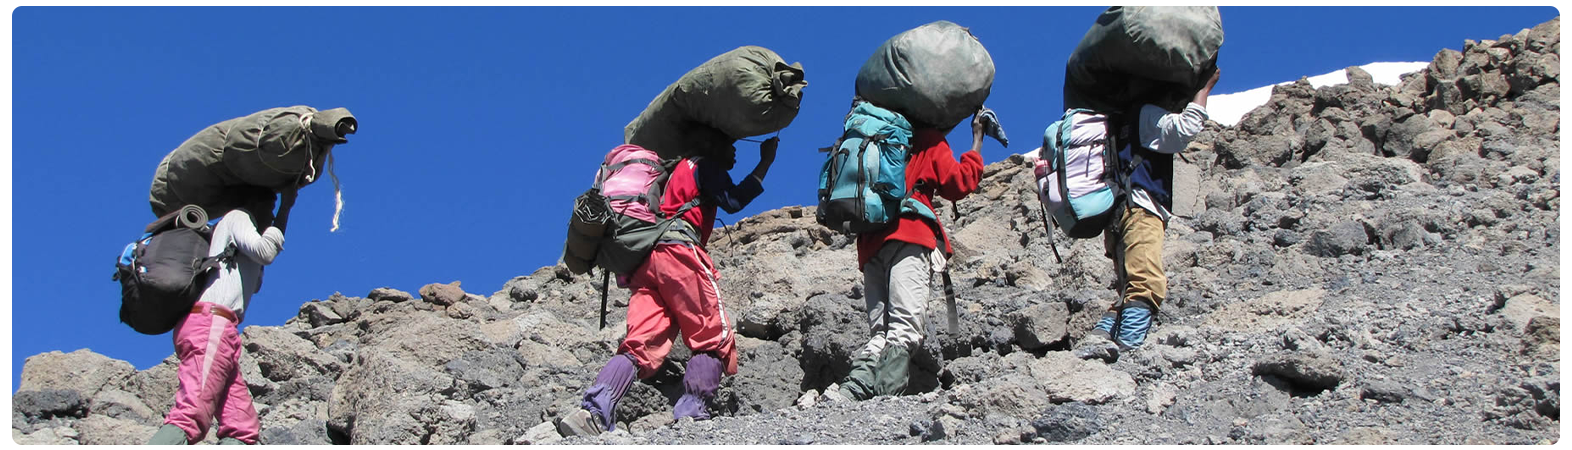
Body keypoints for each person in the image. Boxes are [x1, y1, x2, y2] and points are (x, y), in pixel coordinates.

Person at [558, 137, 778, 436]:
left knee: (640, 345)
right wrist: (766, 162)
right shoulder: (702, 165)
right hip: (679, 254)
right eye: (729, 143)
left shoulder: (667, 174)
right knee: (711, 334)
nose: (735, 151)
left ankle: (593, 412)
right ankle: (692, 413)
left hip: (646, 263)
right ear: (713, 144)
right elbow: (733, 200)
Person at [838, 114, 986, 401]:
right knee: (904, 329)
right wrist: (977, 139)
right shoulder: (926, 140)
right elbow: (958, 183)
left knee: (880, 331)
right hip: (910, 236)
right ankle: (884, 399)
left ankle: (851, 393)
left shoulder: (873, 140)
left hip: (870, 242)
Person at [1078, 66, 1222, 359]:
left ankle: (1099, 341)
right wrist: (1203, 91)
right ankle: (1130, 350)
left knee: (1127, 287)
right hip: (1141, 209)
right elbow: (1183, 132)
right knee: (1145, 283)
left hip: (1117, 217)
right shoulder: (1145, 114)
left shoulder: (1114, 122)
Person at [148, 188, 292, 446]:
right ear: (251, 202)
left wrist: (277, 219)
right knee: (191, 413)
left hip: (219, 330)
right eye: (269, 207)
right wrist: (285, 210)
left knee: (241, 426)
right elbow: (266, 253)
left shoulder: (242, 234)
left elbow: (257, 271)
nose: (270, 215)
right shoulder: (238, 217)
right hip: (210, 324)